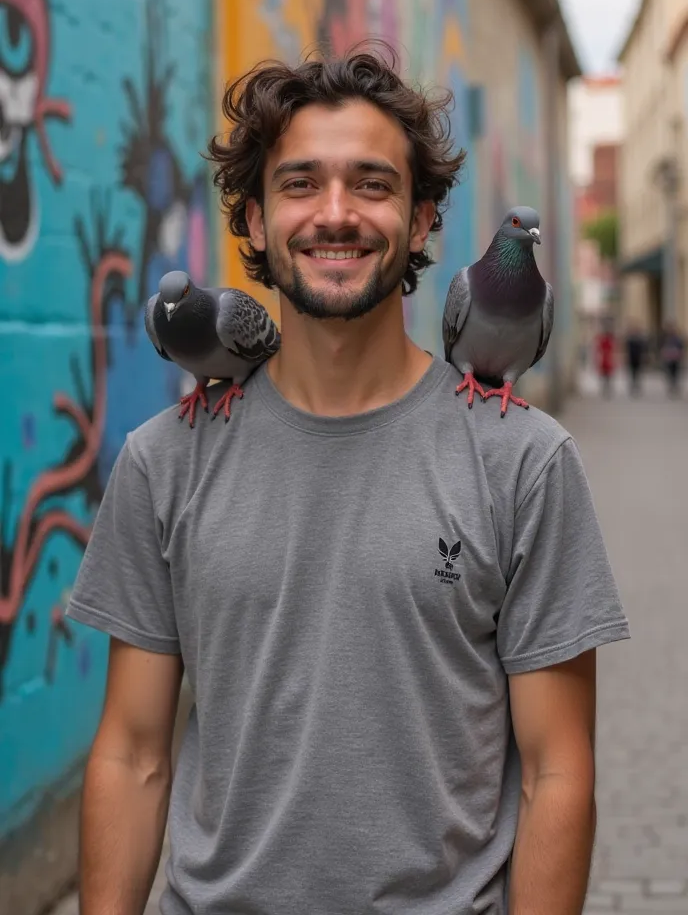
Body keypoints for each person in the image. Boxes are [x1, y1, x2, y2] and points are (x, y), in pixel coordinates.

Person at [67, 49, 630, 915]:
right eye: (300, 185)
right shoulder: (163, 462)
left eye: (372, 184)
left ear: (420, 220)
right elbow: (133, 753)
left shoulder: (524, 462)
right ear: (253, 221)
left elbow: (556, 774)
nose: (336, 214)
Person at [659, 321, 685, 396]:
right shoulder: (665, 338)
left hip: (676, 358)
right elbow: (662, 347)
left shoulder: (677, 338)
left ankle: (675, 386)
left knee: (676, 373)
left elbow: (681, 347)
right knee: (669, 373)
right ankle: (671, 386)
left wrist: (681, 354)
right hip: (668, 358)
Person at [594, 320, 616, 398]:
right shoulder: (604, 340)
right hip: (605, 359)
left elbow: (612, 350)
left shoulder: (608, 340)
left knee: (607, 376)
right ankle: (605, 388)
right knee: (605, 375)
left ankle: (606, 389)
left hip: (606, 359)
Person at [624, 321, 646, 396]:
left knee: (638, 374)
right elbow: (626, 350)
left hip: (638, 359)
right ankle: (633, 386)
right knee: (632, 374)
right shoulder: (629, 340)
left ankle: (637, 386)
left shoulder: (640, 340)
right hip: (631, 359)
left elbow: (643, 350)